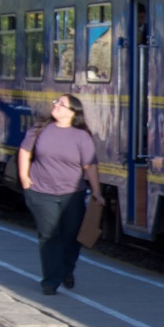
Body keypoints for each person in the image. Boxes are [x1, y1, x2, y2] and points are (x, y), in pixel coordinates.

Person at [16, 93, 101, 295]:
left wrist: (97, 191)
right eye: (56, 102)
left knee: (71, 237)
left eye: (61, 104)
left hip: (72, 194)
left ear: (72, 112)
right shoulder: (40, 129)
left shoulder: (81, 136)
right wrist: (24, 178)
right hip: (40, 191)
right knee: (49, 236)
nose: (55, 106)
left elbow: (89, 165)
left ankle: (66, 270)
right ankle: (50, 281)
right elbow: (25, 152)